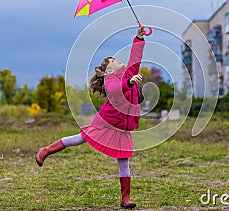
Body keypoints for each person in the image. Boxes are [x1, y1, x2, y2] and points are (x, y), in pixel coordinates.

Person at [35, 25, 147, 209]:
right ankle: (45, 151)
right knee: (80, 139)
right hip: (106, 121)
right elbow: (113, 90)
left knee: (124, 161)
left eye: (118, 59)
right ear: (109, 70)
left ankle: (125, 199)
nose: (118, 61)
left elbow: (135, 59)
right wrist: (128, 82)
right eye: (114, 61)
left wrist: (139, 38)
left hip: (122, 127)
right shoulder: (112, 79)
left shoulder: (128, 74)